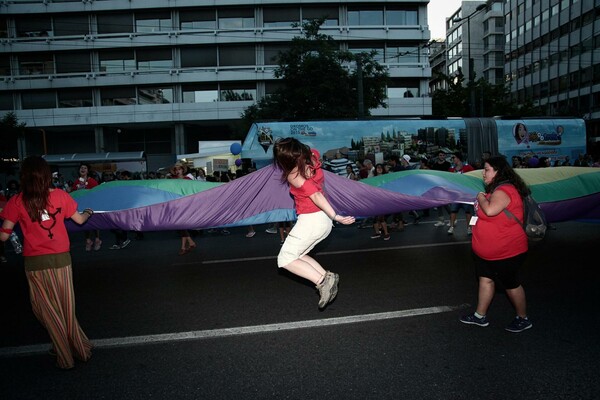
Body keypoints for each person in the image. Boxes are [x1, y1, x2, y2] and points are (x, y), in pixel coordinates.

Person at [0, 156, 93, 369]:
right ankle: (80, 348)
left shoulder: (17, 201)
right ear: (45, 175)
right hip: (62, 259)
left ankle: (63, 353)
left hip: (34, 263)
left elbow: (4, 236)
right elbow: (79, 220)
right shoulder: (60, 196)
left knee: (46, 309)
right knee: (66, 307)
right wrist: (88, 212)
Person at [273, 137, 355, 310]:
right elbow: (314, 152)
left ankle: (322, 281)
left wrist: (336, 216)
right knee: (298, 255)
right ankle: (326, 277)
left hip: (313, 219)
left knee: (285, 259)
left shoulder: (293, 175)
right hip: (320, 220)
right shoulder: (313, 158)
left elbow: (316, 196)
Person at [460, 155, 533, 333]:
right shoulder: (495, 190)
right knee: (485, 280)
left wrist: (480, 196)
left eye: (486, 170)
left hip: (506, 252)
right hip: (486, 253)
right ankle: (480, 316)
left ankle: (523, 318)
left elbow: (491, 210)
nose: (483, 173)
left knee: (511, 284)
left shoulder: (504, 190)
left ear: (498, 172)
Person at [70, 163, 102, 251]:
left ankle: (97, 239)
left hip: (91, 205)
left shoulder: (92, 181)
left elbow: (97, 192)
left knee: (94, 223)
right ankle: (88, 240)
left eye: (85, 168)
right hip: (81, 206)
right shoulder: (76, 182)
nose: (83, 169)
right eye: (81, 168)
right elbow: (73, 194)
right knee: (84, 223)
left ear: (88, 171)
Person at [171, 161, 197, 255]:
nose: (177, 171)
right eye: (176, 169)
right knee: (180, 225)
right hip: (176, 204)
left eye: (179, 169)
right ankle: (190, 243)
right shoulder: (172, 180)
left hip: (186, 204)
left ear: (182, 170)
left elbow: (192, 190)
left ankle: (184, 247)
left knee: (181, 225)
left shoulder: (187, 179)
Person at [447, 152, 475, 235]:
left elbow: (473, 176)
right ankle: (451, 227)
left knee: (468, 212)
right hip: (455, 194)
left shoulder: (467, 167)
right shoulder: (451, 168)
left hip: (466, 194)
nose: (452, 159)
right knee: (453, 211)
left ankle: (469, 228)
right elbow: (448, 179)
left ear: (458, 158)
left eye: (454, 157)